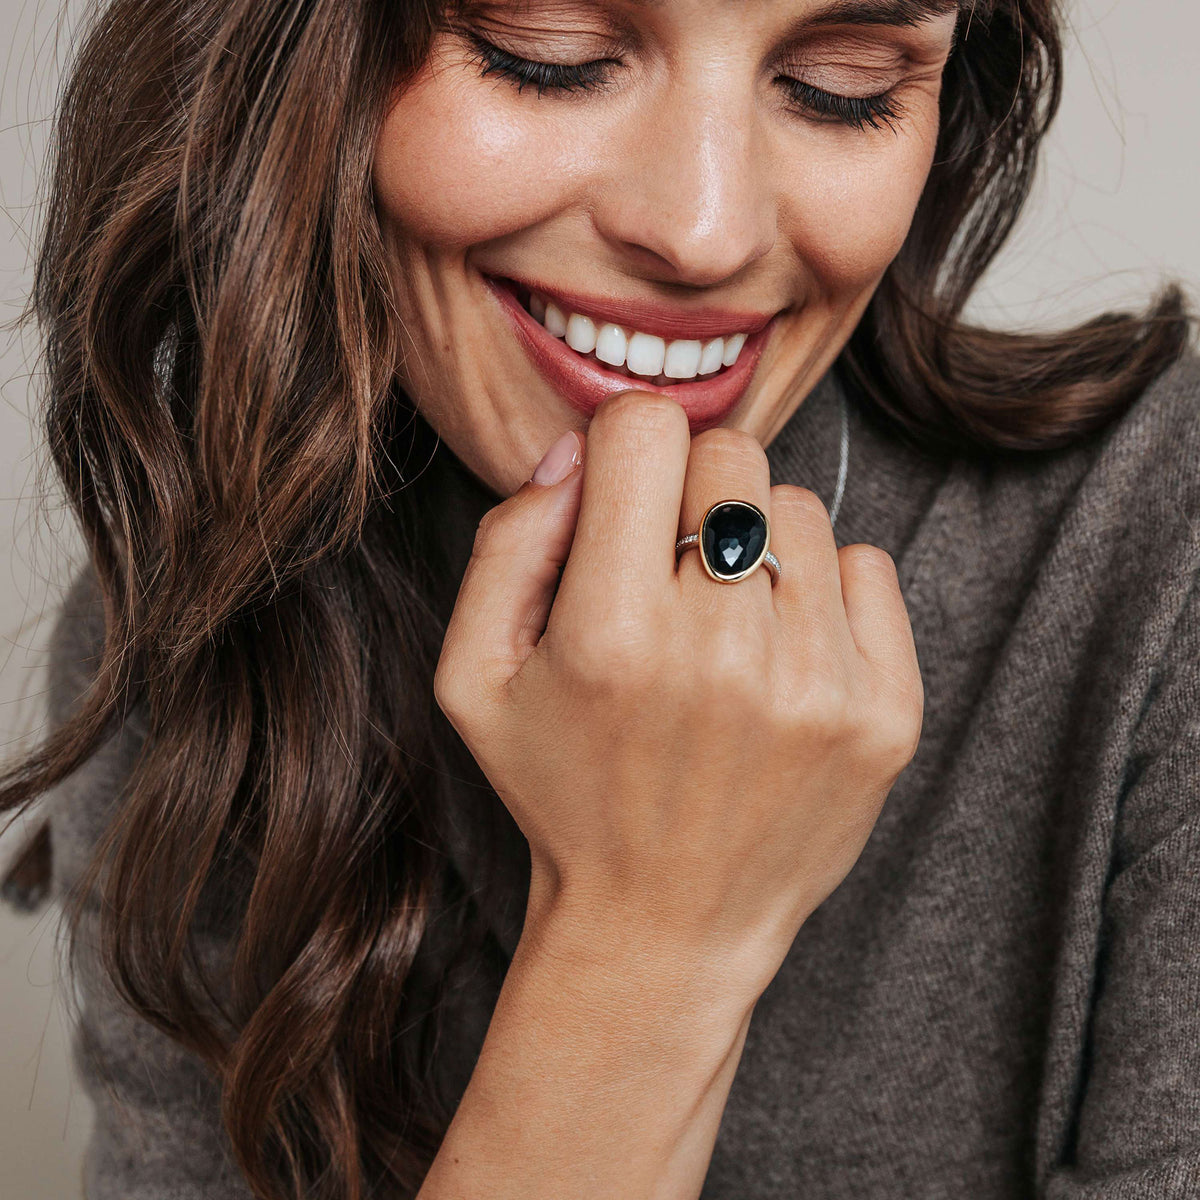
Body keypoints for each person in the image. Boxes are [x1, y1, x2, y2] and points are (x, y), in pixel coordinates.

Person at [1, 0, 1196, 1196]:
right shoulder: (204, 628)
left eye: (845, 86)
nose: (705, 231)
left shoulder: (1164, 564)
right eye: (548, 57)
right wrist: (648, 939)